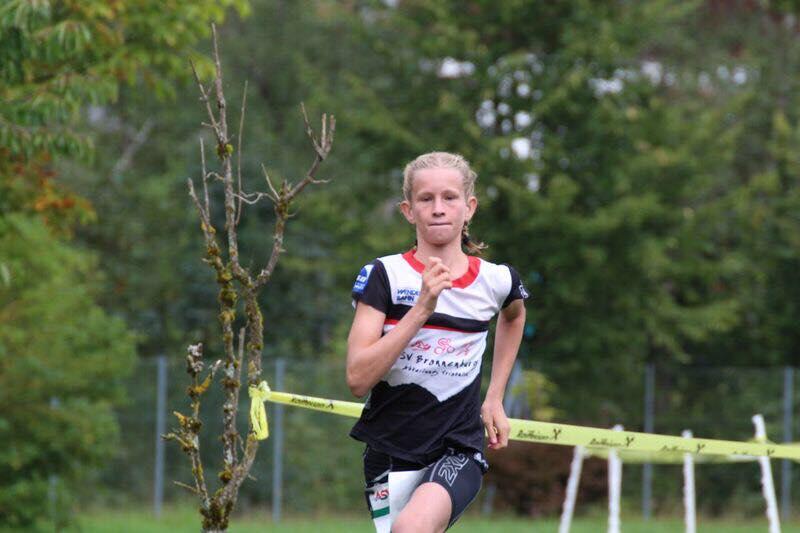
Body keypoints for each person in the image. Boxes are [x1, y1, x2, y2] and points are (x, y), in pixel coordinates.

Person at [346, 152, 528, 532]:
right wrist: (421, 309)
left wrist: (494, 397)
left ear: (469, 207)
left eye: (450, 197)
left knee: (411, 529)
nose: (438, 208)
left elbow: (514, 315)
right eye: (426, 199)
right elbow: (358, 379)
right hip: (388, 448)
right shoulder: (384, 276)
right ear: (408, 211)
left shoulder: (496, 280)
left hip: (458, 447)